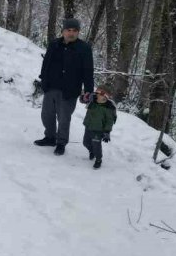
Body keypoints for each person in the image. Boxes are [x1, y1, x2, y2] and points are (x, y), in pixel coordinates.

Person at [35, 18, 95, 156]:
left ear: (78, 32)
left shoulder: (84, 49)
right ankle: (50, 137)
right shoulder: (54, 44)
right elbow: (46, 64)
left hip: (69, 90)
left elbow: (88, 71)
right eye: (69, 30)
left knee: (63, 118)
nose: (71, 33)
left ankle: (61, 143)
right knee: (46, 115)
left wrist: (88, 91)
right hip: (51, 87)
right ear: (63, 31)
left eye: (75, 31)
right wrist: (44, 80)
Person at [82, 86, 117, 169]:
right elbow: (83, 100)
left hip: (98, 130)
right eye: (96, 93)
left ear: (105, 97)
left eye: (98, 94)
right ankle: (92, 151)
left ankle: (98, 159)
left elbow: (109, 121)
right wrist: (85, 97)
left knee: (96, 146)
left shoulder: (108, 108)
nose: (96, 95)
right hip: (89, 127)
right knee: (85, 143)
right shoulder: (92, 102)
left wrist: (107, 132)